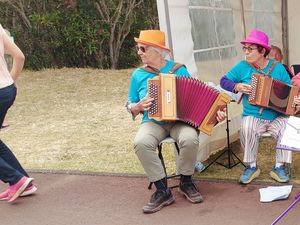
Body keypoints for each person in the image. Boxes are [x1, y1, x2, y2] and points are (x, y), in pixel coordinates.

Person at [126, 30, 226, 213]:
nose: (139, 52)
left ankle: (186, 182)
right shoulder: (138, 75)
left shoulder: (179, 70)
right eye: (138, 48)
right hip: (152, 121)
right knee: (141, 142)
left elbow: (197, 99)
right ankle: (162, 190)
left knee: (190, 138)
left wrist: (215, 115)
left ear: (157, 51)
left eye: (143, 48)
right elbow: (130, 104)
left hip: (180, 121)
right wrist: (138, 106)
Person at [220, 29, 300, 184]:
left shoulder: (278, 68)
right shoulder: (242, 66)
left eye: (251, 49)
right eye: (245, 48)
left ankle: (279, 167)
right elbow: (224, 81)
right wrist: (237, 86)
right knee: (246, 126)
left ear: (263, 51)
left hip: (276, 116)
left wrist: (296, 101)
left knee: (288, 126)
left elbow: (291, 92)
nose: (246, 52)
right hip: (253, 115)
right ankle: (251, 166)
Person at [0, 24, 37, 202]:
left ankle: (16, 179)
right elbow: (19, 57)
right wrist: (10, 80)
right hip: (7, 90)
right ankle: (25, 183)